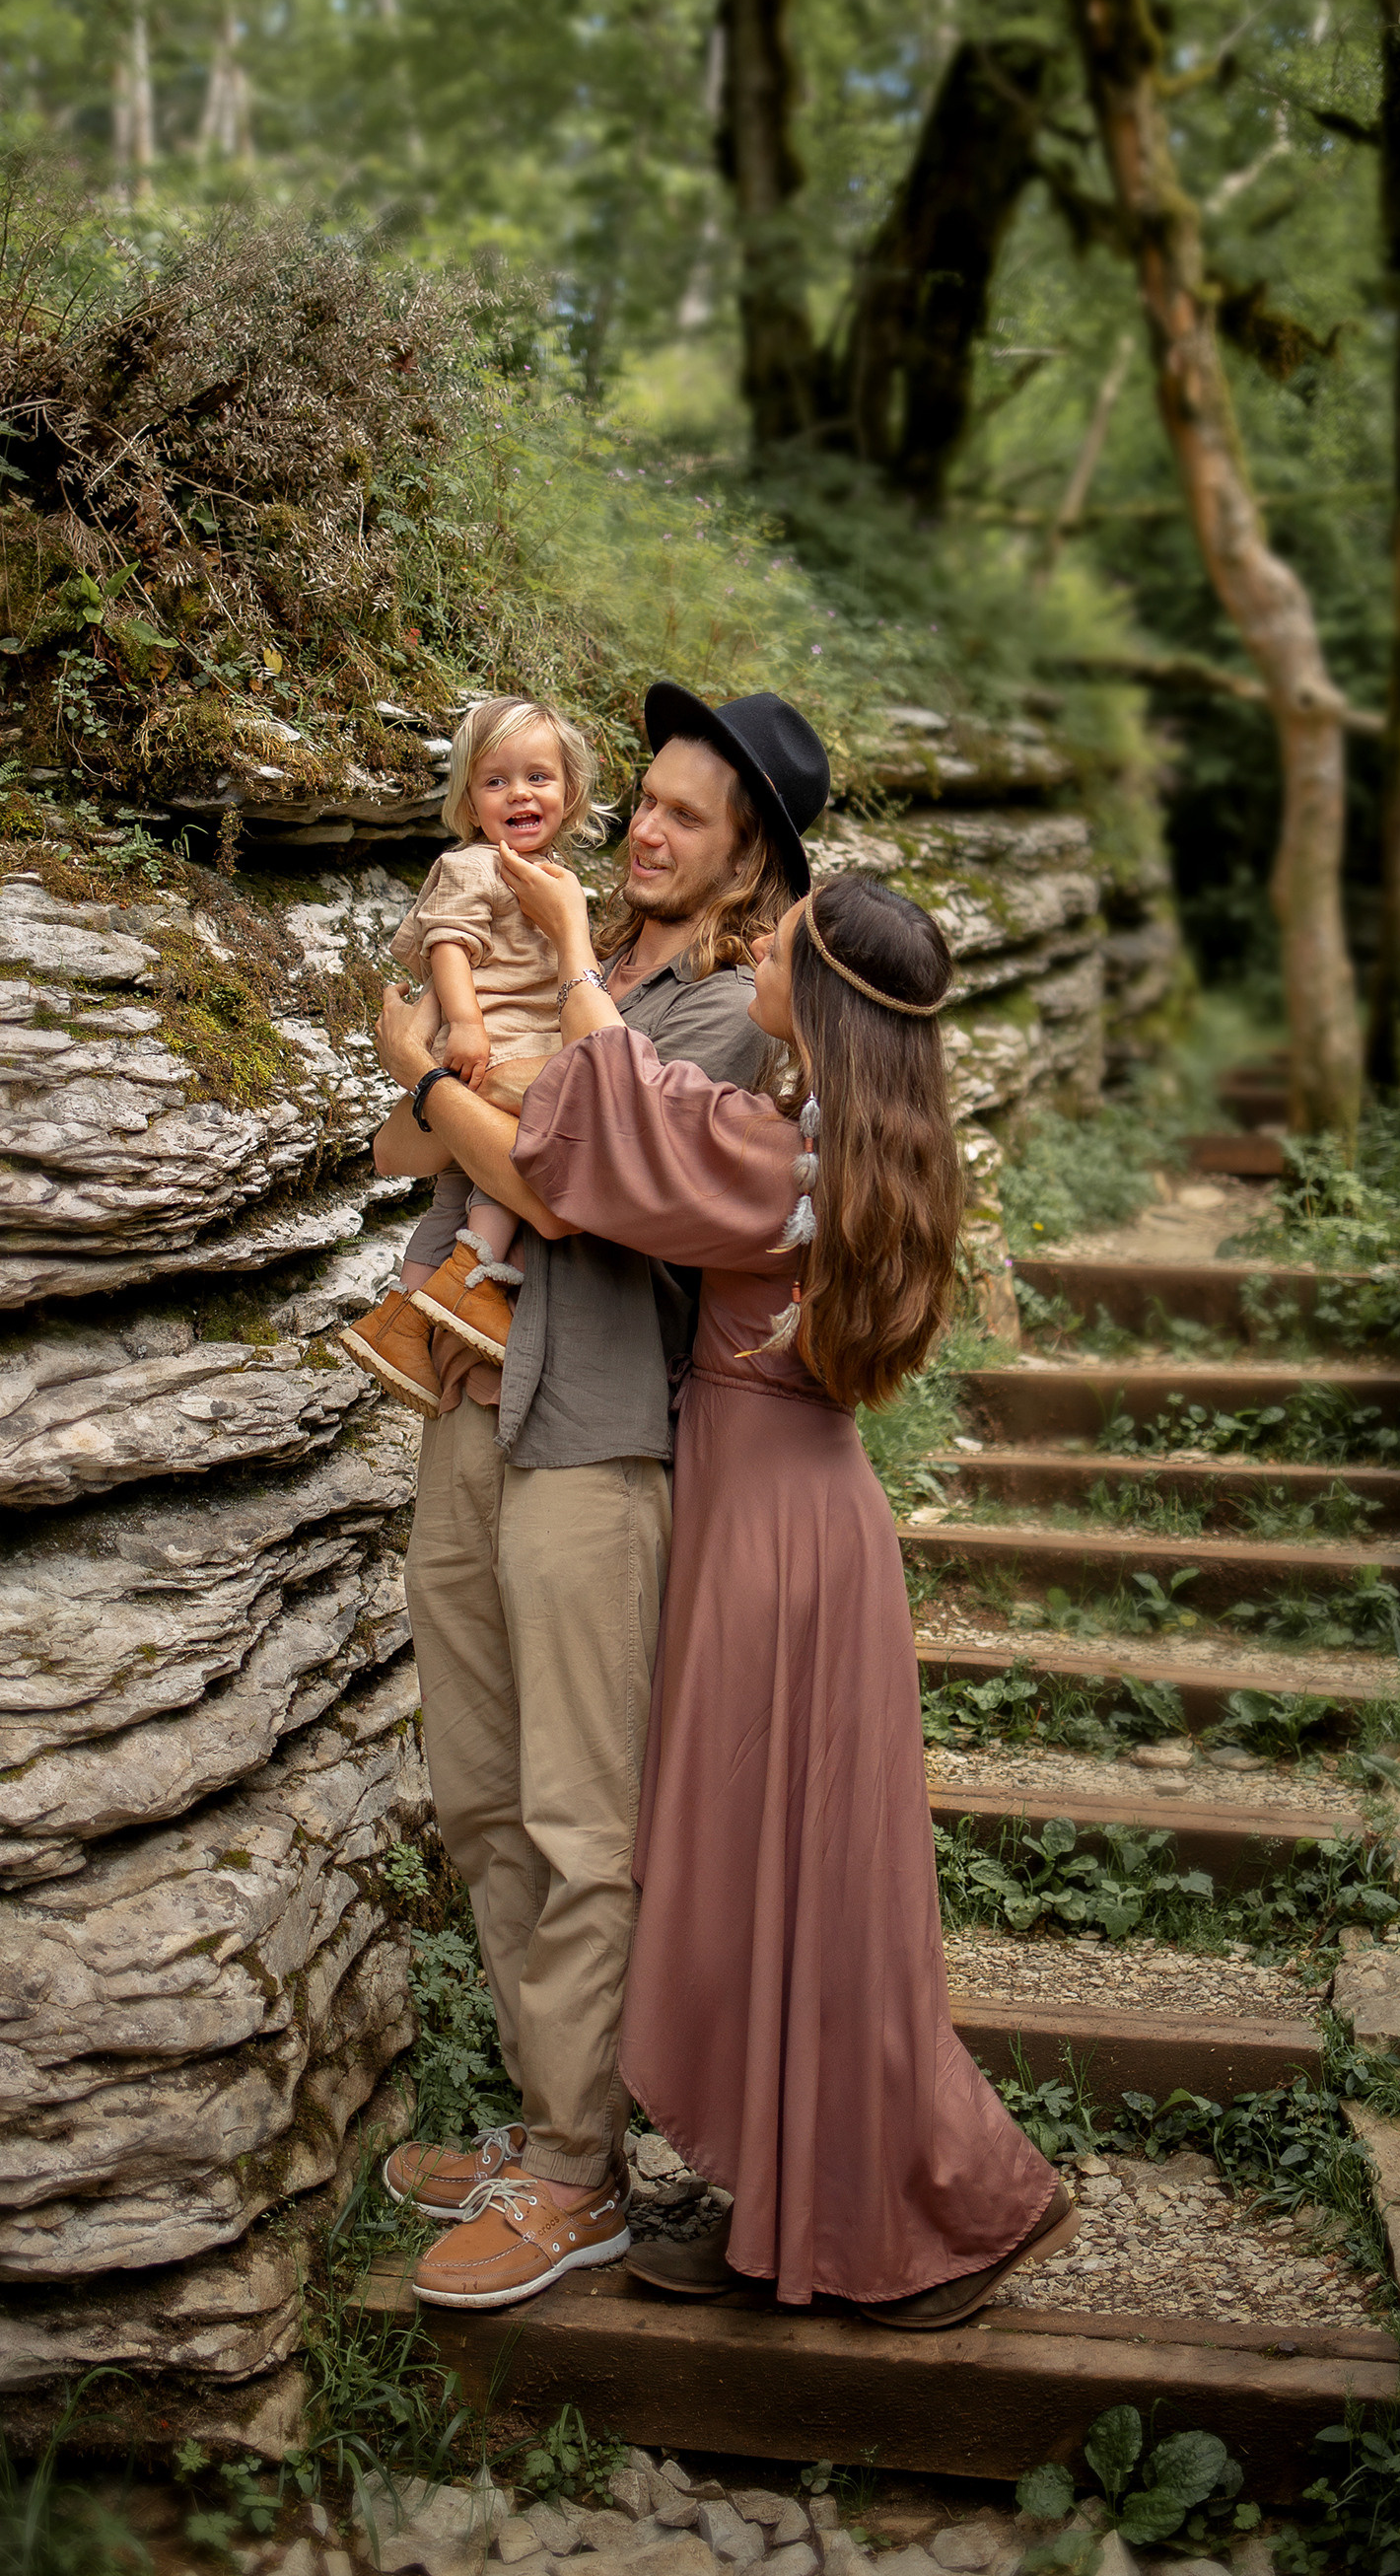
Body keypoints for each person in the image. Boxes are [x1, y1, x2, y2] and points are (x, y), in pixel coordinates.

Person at [498, 857, 1081, 2326]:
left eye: (785, 943)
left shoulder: (780, 1165)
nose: (758, 944)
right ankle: (789, 2212)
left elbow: (624, 1132)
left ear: (817, 997)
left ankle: (923, 2214)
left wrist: (570, 949)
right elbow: (670, 1117)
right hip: (804, 1526)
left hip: (773, 1547)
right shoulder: (842, 1147)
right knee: (789, 1879)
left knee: (798, 1882)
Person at [370, 687, 833, 2313]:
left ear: (754, 865)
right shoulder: (579, 962)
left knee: (578, 1813)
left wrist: (441, 1087)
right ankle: (552, 2120)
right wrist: (429, 1080)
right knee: (484, 1793)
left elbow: (564, 1181)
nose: (640, 828)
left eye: (686, 818)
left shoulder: (715, 1016)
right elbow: (394, 1142)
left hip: (593, 1430)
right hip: (465, 1402)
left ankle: (582, 2182)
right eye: (641, 798)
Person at [340, 697, 605, 1414]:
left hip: (511, 1042)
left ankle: (400, 1317)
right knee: (513, 1160)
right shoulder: (475, 865)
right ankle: (472, 1280)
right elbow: (447, 945)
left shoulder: (552, 877)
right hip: (498, 1043)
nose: (520, 793)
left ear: (570, 792)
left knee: (457, 1184)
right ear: (468, 801)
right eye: (496, 782)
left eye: (538, 777)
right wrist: (463, 1022)